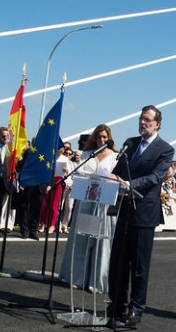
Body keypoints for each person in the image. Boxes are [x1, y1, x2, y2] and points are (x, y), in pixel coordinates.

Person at [107, 105, 175, 327]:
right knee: (118, 260)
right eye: (141, 118)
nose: (142, 122)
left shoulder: (165, 149)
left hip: (144, 212)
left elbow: (155, 177)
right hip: (124, 210)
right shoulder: (131, 143)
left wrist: (128, 184)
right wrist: (111, 178)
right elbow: (117, 169)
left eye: (147, 119)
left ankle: (136, 309)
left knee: (139, 265)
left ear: (157, 124)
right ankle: (116, 303)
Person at [60, 124, 118, 294]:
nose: (101, 140)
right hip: (87, 201)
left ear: (109, 139)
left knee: (100, 242)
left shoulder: (115, 157)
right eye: (99, 137)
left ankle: (97, 281)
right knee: (82, 240)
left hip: (103, 203)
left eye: (104, 137)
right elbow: (78, 174)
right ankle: (78, 277)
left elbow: (117, 177)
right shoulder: (87, 155)